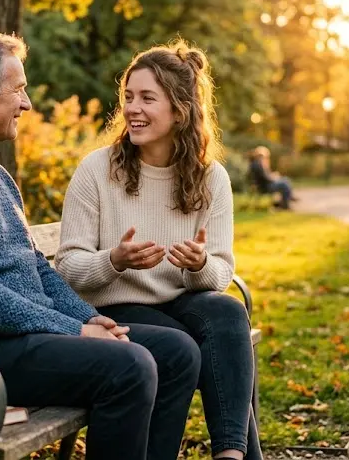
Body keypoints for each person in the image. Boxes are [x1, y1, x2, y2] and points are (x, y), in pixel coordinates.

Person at [0, 29, 201, 460]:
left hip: (20, 340)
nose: (27, 103)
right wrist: (75, 330)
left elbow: (38, 271)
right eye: (19, 89)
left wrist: (92, 320)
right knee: (131, 366)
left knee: (177, 352)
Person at [55, 40, 263, 460]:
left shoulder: (210, 177)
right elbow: (68, 268)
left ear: (180, 110)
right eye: (128, 96)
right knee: (186, 345)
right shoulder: (98, 170)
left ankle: (230, 455)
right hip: (113, 310)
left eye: (148, 98)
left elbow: (221, 271)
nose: (133, 108)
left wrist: (200, 263)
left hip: (178, 303)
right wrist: (114, 260)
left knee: (227, 311)